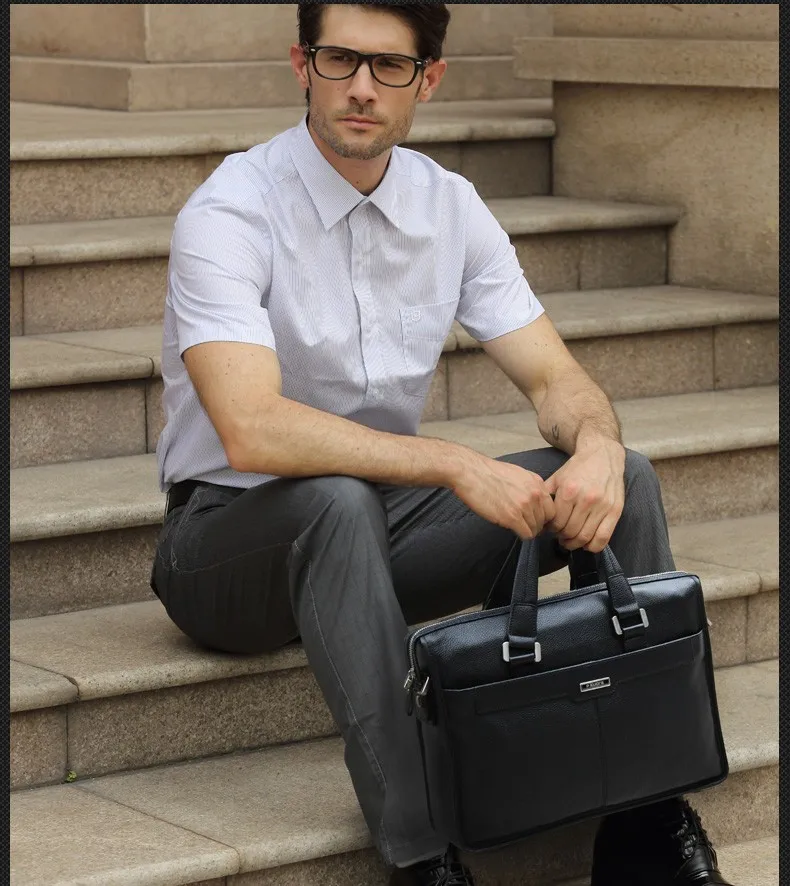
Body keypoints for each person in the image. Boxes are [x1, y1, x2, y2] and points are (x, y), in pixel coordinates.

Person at [150, 4, 734, 884]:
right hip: (221, 546)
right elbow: (251, 426)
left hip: (380, 527)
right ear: (302, 65)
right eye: (340, 60)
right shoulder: (231, 210)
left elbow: (554, 379)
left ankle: (645, 822)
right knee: (335, 502)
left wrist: (599, 445)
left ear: (429, 80)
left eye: (389, 67)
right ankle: (423, 856)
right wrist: (456, 464)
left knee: (628, 480)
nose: (360, 88)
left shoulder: (449, 206)